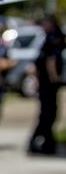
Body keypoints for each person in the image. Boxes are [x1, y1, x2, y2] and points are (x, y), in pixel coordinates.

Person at [29, 15, 65, 155]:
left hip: (48, 83)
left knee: (47, 114)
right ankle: (44, 143)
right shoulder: (51, 38)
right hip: (47, 84)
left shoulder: (53, 37)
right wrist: (53, 79)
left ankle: (43, 143)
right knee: (48, 114)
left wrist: (53, 78)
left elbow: (51, 60)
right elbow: (48, 61)